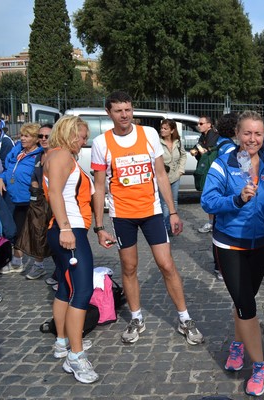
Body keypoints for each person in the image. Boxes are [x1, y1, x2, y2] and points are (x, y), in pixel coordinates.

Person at [91, 90, 204, 345]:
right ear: (109, 113)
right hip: (122, 216)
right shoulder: (101, 143)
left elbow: (161, 175)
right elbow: (98, 187)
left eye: (128, 110)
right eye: (119, 111)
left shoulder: (149, 134)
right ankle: (136, 317)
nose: (124, 115)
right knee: (129, 267)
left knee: (167, 264)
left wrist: (172, 211)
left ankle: (185, 318)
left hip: (152, 211)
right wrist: (98, 226)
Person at [201, 110, 264, 397]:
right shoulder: (222, 164)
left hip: (262, 245)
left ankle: (238, 344)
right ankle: (261, 365)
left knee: (243, 301)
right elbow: (208, 201)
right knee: (247, 306)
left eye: (258, 134)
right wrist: (237, 199)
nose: (252, 139)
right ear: (237, 134)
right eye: (247, 133)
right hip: (230, 245)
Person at [44, 116, 97, 383]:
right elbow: (55, 193)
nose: (84, 141)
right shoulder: (62, 155)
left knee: (66, 287)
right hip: (69, 230)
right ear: (68, 133)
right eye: (82, 136)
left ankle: (62, 343)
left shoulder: (55, 155)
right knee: (82, 290)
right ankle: (75, 357)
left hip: (67, 228)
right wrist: (66, 228)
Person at [0, 123, 44, 274]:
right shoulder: (17, 149)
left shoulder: (39, 154)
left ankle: (39, 265)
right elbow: (8, 168)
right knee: (16, 230)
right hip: (14, 198)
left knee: (36, 232)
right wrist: (1, 178)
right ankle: (17, 261)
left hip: (31, 198)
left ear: (36, 139)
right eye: (22, 135)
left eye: (27, 136)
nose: (22, 138)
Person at [21, 124, 53, 280]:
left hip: (54, 201)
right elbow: (35, 176)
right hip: (41, 201)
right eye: (41, 136)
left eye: (47, 136)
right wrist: (35, 190)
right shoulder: (40, 155)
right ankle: (39, 265)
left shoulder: (57, 155)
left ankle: (61, 270)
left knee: (53, 235)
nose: (44, 139)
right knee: (38, 232)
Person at [208, 112, 238, 281]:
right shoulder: (231, 148)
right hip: (225, 192)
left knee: (217, 228)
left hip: (218, 190)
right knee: (221, 231)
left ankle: (219, 266)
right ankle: (220, 267)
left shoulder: (220, 141)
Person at [190, 115, 220, 233]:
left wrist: (203, 151)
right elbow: (200, 149)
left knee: (213, 196)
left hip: (213, 171)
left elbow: (209, 151)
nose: (199, 126)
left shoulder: (214, 136)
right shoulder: (203, 136)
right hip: (206, 169)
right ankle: (212, 222)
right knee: (209, 196)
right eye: (198, 123)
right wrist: (196, 151)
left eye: (201, 123)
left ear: (209, 125)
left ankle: (213, 223)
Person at [159, 119, 186, 235]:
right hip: (162, 177)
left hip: (175, 177)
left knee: (174, 201)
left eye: (165, 128)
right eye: (162, 128)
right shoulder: (158, 142)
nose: (162, 130)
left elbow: (183, 156)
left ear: (172, 130)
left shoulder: (178, 142)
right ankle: (165, 228)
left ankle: (171, 225)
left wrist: (180, 170)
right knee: (164, 202)